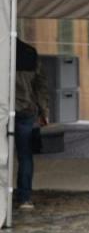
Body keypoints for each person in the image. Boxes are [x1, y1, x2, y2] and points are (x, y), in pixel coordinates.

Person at [13, 39, 48, 211]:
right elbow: (40, 86)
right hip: (27, 110)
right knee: (25, 156)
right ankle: (24, 198)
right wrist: (44, 111)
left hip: (4, 110)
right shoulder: (31, 53)